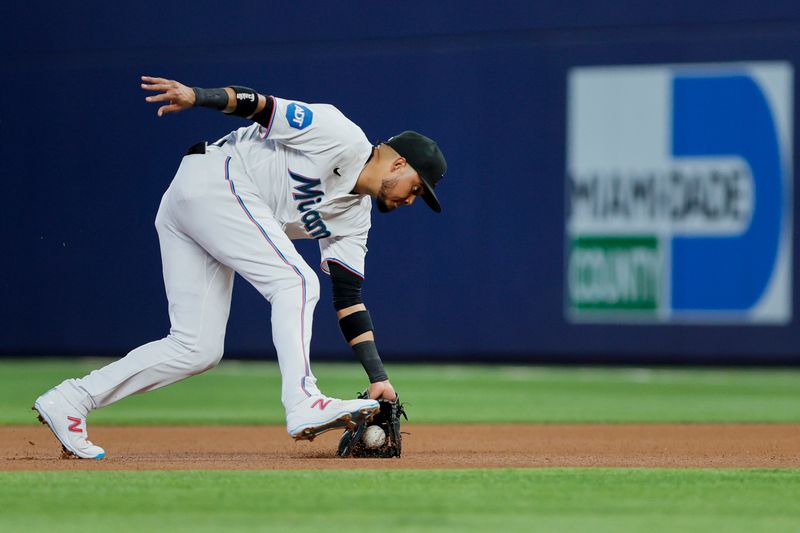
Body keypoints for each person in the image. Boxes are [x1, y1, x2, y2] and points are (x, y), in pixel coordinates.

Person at [32, 76, 447, 459]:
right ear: (398, 163)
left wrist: (379, 377)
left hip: (205, 209)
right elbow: (261, 106)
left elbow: (349, 299)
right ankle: (303, 401)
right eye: (418, 187)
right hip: (216, 177)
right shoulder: (341, 135)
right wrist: (199, 97)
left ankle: (72, 398)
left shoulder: (355, 219)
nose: (413, 199)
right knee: (296, 282)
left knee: (196, 347)